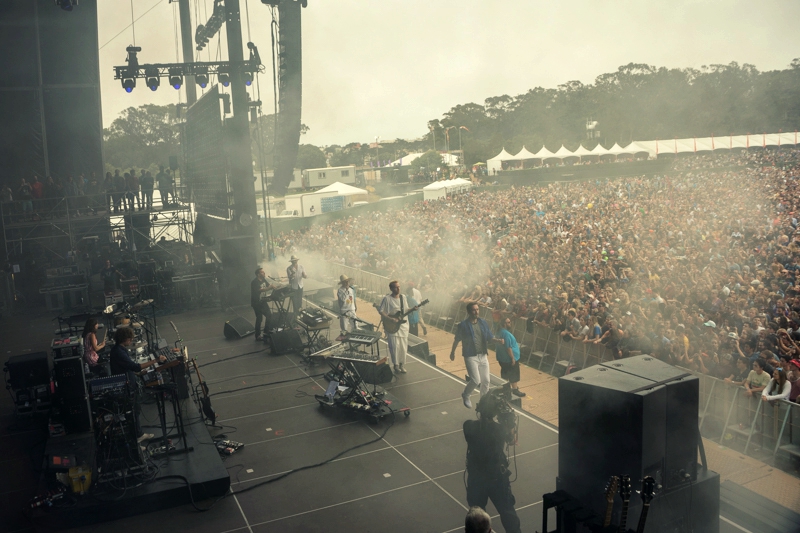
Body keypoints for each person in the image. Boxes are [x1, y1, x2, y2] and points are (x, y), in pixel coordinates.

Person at [462, 392, 521, 533]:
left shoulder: (468, 426)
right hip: (497, 479)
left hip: (476, 479)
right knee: (508, 513)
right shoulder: (500, 429)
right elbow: (513, 440)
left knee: (477, 518)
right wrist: (509, 419)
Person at [109, 327, 166, 443]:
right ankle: (137, 437)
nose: (131, 341)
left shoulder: (120, 349)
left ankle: (138, 434)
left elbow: (126, 367)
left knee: (136, 409)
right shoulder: (119, 352)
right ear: (125, 339)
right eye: (130, 339)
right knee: (133, 410)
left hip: (129, 382)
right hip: (126, 387)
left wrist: (138, 373)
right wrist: (156, 360)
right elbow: (134, 366)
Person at [451, 302, 503, 408]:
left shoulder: (483, 323)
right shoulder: (463, 325)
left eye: (477, 309)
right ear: (469, 312)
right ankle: (466, 395)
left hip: (483, 355)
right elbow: (457, 339)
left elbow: (489, 337)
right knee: (475, 380)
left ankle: (483, 402)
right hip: (470, 355)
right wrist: (452, 352)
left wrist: (497, 340)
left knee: (486, 381)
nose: (476, 312)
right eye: (474, 310)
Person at [379, 280, 414, 374]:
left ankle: (402, 364)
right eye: (395, 287)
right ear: (391, 288)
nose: (398, 289)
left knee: (403, 346)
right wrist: (390, 319)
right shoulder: (387, 299)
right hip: (392, 325)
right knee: (394, 346)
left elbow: (406, 309)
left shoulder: (403, 298)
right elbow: (381, 311)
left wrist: (413, 309)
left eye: (399, 287)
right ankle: (396, 365)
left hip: (403, 326)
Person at [496, 317, 526, 397]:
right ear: (504, 324)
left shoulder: (499, 332)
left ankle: (505, 389)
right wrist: (512, 358)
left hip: (502, 358)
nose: (510, 324)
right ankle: (515, 390)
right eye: (508, 322)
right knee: (513, 374)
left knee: (505, 373)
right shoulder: (506, 334)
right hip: (508, 359)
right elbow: (508, 347)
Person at [251, 267, 278, 341]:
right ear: (258, 274)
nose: (264, 273)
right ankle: (257, 335)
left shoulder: (263, 280)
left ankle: (266, 332)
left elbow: (268, 286)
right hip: (256, 303)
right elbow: (261, 290)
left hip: (262, 302)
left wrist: (275, 287)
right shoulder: (255, 282)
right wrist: (269, 288)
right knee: (259, 318)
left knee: (269, 315)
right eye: (262, 272)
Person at [286, 255, 307, 321]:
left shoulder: (301, 267)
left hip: (300, 285)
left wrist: (304, 275)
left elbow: (304, 275)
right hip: (293, 287)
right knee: (294, 301)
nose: (294, 261)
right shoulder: (289, 268)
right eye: (293, 261)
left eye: (295, 260)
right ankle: (296, 314)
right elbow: (290, 277)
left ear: (297, 260)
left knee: (300, 300)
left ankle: (300, 313)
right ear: (291, 261)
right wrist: (292, 273)